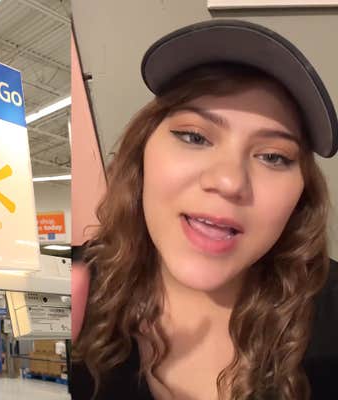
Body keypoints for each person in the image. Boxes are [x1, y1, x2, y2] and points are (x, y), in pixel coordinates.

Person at [71, 20, 338, 400]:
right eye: (194, 137)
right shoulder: (73, 294)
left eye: (274, 157)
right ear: (142, 155)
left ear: (302, 195)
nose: (229, 182)